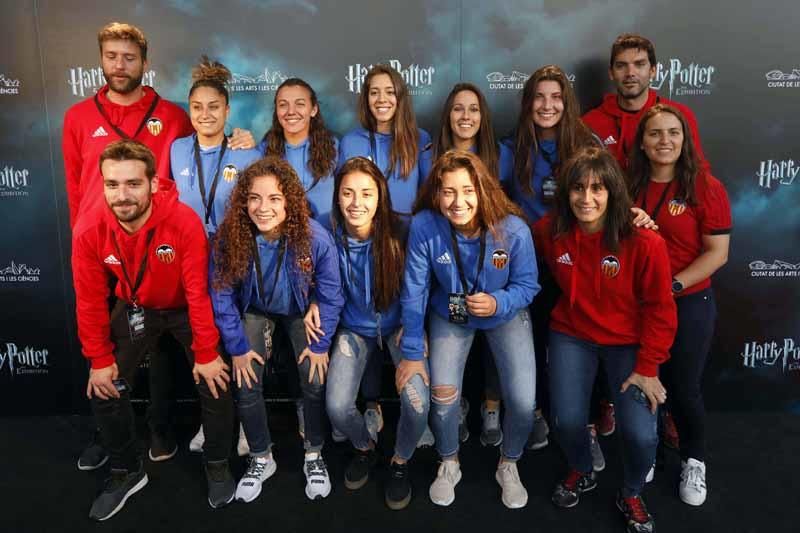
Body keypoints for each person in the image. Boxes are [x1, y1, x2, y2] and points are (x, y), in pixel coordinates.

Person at [62, 22, 253, 470]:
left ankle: (180, 428)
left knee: (181, 343)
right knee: (117, 349)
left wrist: (241, 138)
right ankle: (115, 437)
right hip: (108, 253)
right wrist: (86, 239)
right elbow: (76, 189)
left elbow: (206, 148)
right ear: (101, 59)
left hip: (171, 246)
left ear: (145, 64)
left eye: (129, 57)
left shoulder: (171, 116)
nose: (120, 65)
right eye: (112, 56)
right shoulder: (76, 118)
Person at [72, 140, 235, 520]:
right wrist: (98, 358)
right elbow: (90, 299)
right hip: (136, 306)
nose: (122, 195)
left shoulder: (182, 221)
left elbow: (198, 292)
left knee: (216, 380)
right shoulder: (89, 228)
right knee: (103, 384)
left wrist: (208, 353)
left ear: (152, 183)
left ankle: (217, 463)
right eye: (112, 185)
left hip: (182, 307)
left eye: (132, 184)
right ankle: (126, 470)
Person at [533, 146, 677, 533]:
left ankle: (630, 490)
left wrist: (648, 368)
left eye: (597, 188)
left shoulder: (646, 242)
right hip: (572, 334)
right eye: (578, 188)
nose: (586, 198)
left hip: (629, 343)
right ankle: (582, 468)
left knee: (641, 434)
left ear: (613, 192)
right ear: (565, 192)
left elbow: (661, 310)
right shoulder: (551, 230)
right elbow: (509, 234)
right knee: (565, 420)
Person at [402, 150, 539, 509]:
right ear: (436, 193)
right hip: (451, 313)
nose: (458, 201)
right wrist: (413, 351)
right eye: (448, 192)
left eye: (467, 191)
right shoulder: (425, 226)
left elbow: (528, 285)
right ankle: (449, 461)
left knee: (524, 403)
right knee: (443, 399)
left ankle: (509, 463)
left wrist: (499, 302)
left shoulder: (513, 229)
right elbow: (414, 290)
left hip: (504, 313)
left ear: (483, 190)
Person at [209, 156, 343, 502]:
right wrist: (237, 346)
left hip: (300, 310)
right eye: (254, 198)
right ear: (244, 201)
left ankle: (314, 453)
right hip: (255, 309)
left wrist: (321, 343)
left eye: (274, 198)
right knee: (246, 379)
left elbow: (331, 294)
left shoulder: (315, 237)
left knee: (314, 375)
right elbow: (221, 294)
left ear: (290, 201)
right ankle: (260, 456)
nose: (262, 207)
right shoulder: (231, 236)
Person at [629, 104, 731, 506]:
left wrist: (670, 285)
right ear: (642, 141)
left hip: (688, 302)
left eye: (673, 133)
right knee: (646, 383)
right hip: (639, 307)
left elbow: (717, 253)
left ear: (685, 139)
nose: (664, 141)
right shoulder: (629, 183)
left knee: (684, 389)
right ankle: (650, 451)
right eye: (655, 133)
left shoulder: (705, 187)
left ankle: (694, 459)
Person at [322, 156, 428, 510]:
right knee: (337, 406)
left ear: (381, 196)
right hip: (354, 329)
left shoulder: (403, 230)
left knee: (418, 405)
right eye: (348, 193)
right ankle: (365, 447)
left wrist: (415, 338)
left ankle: (399, 461)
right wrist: (310, 302)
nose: (357, 203)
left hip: (400, 327)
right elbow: (310, 275)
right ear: (336, 196)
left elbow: (417, 290)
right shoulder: (325, 231)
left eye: (366, 193)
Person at [170, 56, 261, 456]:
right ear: (189, 111)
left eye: (214, 107)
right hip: (191, 264)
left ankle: (247, 424)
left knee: (237, 342)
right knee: (205, 345)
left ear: (227, 110)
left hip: (235, 261)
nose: (205, 114)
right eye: (197, 107)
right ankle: (213, 423)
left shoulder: (246, 152)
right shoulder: (175, 150)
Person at [338, 64, 433, 439]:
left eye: (389, 92)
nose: (382, 99)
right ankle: (372, 405)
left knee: (405, 320)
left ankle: (416, 407)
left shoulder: (420, 139)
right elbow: (343, 196)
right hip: (363, 248)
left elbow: (427, 199)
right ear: (365, 98)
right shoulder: (351, 141)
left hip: (407, 250)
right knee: (366, 318)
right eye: (374, 92)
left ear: (401, 98)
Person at [434, 82, 507, 446]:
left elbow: (511, 218)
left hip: (492, 271)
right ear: (448, 115)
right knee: (452, 349)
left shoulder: (501, 156)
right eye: (458, 109)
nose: (466, 116)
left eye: (474, 109)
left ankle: (491, 406)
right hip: (447, 272)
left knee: (496, 341)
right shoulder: (430, 156)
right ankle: (458, 404)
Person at [582, 33, 708, 173]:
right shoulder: (590, 123)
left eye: (639, 64)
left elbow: (698, 173)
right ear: (611, 73)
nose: (630, 73)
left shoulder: (680, 116)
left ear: (653, 71)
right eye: (621, 66)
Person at [261, 78, 338, 228]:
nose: (291, 111)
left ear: (313, 109)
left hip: (327, 240)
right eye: (283, 105)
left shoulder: (334, 146)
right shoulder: (263, 151)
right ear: (276, 110)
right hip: (281, 240)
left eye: (300, 104)